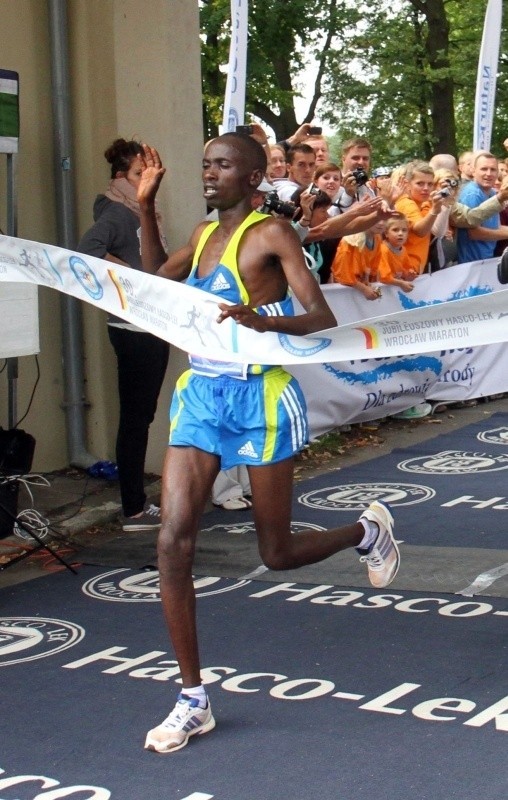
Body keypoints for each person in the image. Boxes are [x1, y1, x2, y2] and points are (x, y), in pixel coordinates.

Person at [136, 132, 400, 753]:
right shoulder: (203, 237)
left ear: (253, 177)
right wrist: (146, 206)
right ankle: (191, 699)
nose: (210, 173)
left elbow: (322, 318)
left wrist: (263, 320)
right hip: (202, 393)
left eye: (223, 165)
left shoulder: (271, 233)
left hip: (260, 396)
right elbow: (154, 283)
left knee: (276, 553)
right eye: (205, 163)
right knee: (173, 538)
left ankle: (364, 532)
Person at [77, 138, 169, 532]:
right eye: (137, 174)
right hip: (135, 328)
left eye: (148, 172)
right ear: (120, 177)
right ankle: (133, 507)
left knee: (140, 416)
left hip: (147, 325)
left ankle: (134, 503)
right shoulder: (117, 213)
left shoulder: (135, 210)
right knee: (135, 418)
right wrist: (129, 279)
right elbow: (85, 252)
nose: (145, 179)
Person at [457, 151, 508, 264]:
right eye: (484, 169)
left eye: (493, 169)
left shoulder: (493, 193)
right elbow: (474, 233)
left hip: (485, 260)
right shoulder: (472, 193)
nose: (488, 173)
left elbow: (496, 227)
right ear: (473, 171)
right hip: (470, 263)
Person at [394, 160, 445, 273]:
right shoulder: (405, 203)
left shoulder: (424, 203)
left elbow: (438, 232)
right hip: (405, 272)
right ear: (407, 184)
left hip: (415, 270)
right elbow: (420, 230)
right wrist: (435, 211)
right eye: (420, 183)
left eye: (430, 184)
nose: (426, 188)